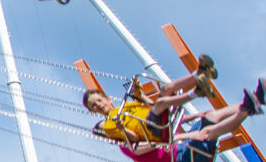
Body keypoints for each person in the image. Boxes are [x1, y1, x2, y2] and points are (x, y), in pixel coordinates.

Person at [82, 58, 219, 144]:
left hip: (156, 118)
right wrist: (121, 127)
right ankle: (197, 92)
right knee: (162, 102)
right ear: (93, 111)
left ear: (108, 99)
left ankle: (200, 73)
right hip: (150, 130)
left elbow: (150, 106)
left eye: (99, 101)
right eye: (94, 106)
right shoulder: (109, 126)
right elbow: (134, 139)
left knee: (166, 88)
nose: (98, 105)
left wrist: (139, 93)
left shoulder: (127, 106)